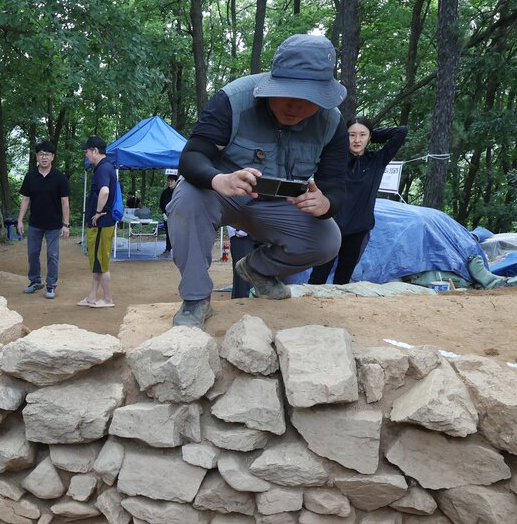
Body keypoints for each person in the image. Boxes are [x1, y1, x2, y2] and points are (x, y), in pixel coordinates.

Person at [167, 34, 349, 328]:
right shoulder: (233, 99)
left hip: (278, 205)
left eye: (306, 100)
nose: (293, 106)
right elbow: (191, 157)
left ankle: (258, 269)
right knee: (186, 199)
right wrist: (218, 179)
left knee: (328, 239)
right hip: (221, 194)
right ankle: (196, 298)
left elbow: (336, 186)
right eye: (286, 94)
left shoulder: (333, 123)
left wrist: (325, 203)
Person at [308, 117, 408, 286]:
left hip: (358, 229)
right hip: (330, 226)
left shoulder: (377, 161)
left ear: (369, 137)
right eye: (351, 135)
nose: (356, 140)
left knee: (343, 279)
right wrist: (360, 134)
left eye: (362, 135)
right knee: (318, 277)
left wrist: (372, 134)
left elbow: (401, 131)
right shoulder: (334, 160)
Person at [16, 141, 71, 298]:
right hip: (35, 223)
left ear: (52, 157)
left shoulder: (60, 177)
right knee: (33, 253)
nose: (44, 157)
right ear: (37, 157)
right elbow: (25, 199)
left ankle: (51, 285)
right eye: (41, 154)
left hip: (54, 224)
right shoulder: (30, 176)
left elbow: (65, 202)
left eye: (47, 154)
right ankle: (35, 281)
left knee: (52, 256)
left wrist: (65, 224)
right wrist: (20, 220)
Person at [78, 135, 117, 308]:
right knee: (97, 264)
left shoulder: (103, 168)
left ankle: (108, 299)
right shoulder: (105, 167)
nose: (86, 154)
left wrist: (98, 212)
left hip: (102, 223)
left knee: (102, 264)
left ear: (95, 151)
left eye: (87, 151)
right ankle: (92, 297)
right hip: (100, 224)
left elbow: (105, 192)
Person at [158, 171, 178, 258]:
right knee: (168, 233)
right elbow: (161, 204)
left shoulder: (180, 191)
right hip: (167, 217)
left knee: (179, 233)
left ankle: (179, 251)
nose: (170, 182)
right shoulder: (165, 192)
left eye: (172, 181)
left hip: (179, 216)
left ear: (176, 182)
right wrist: (163, 213)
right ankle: (168, 249)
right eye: (169, 181)